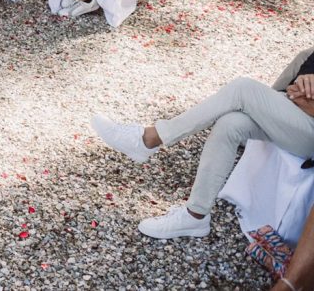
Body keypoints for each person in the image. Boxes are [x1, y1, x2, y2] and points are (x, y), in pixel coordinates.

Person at [90, 45, 314, 241]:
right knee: (230, 124)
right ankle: (195, 216)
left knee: (243, 88)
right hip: (299, 112)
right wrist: (305, 82)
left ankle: (149, 139)